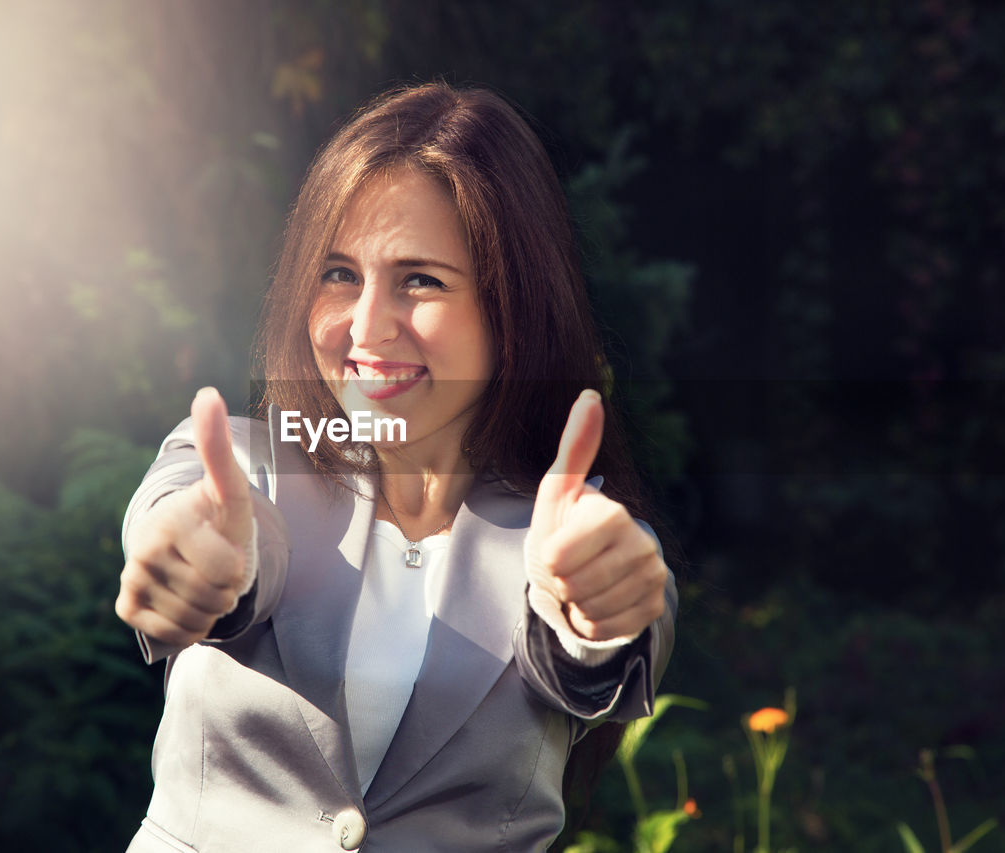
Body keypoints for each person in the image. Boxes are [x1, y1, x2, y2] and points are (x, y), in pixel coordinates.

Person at [115, 82, 676, 852]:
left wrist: (593, 618)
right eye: (339, 273)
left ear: (512, 309)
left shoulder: (575, 533)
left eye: (420, 280)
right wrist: (197, 556)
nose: (366, 326)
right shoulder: (243, 471)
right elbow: (228, 539)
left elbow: (596, 648)